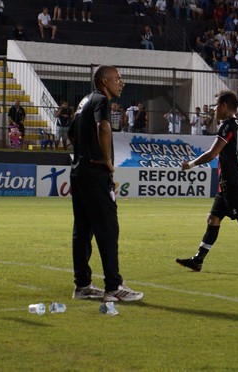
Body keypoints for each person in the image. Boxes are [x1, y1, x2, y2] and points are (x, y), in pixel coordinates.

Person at [176, 89, 238, 277]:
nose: (214, 110)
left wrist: (191, 164)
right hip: (228, 184)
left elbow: (212, 153)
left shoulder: (228, 126)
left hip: (233, 182)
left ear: (223, 106)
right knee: (213, 219)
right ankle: (198, 260)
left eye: (215, 106)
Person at [68, 65, 144, 302]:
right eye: (117, 79)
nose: (122, 83)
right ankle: (114, 286)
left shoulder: (84, 101)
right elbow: (103, 126)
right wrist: (107, 159)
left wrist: (83, 151)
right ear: (104, 81)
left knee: (82, 231)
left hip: (79, 172)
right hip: (95, 174)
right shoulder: (101, 99)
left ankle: (82, 286)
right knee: (108, 229)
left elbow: (70, 133)